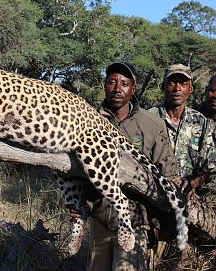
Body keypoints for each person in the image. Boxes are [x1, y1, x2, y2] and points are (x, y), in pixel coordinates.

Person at [71, 62, 177, 271]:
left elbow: (168, 175)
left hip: (136, 222)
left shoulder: (152, 124)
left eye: (124, 84)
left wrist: (157, 222)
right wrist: (78, 204)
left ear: (133, 89)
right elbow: (75, 168)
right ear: (104, 85)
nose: (117, 89)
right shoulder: (86, 119)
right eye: (112, 82)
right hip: (99, 220)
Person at [148, 64, 216, 268]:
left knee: (177, 264)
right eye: (172, 82)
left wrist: (195, 181)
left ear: (190, 89)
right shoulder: (147, 118)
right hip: (153, 206)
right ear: (163, 86)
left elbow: (210, 167)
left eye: (183, 83)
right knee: (148, 263)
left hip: (188, 209)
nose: (177, 88)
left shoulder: (202, 123)